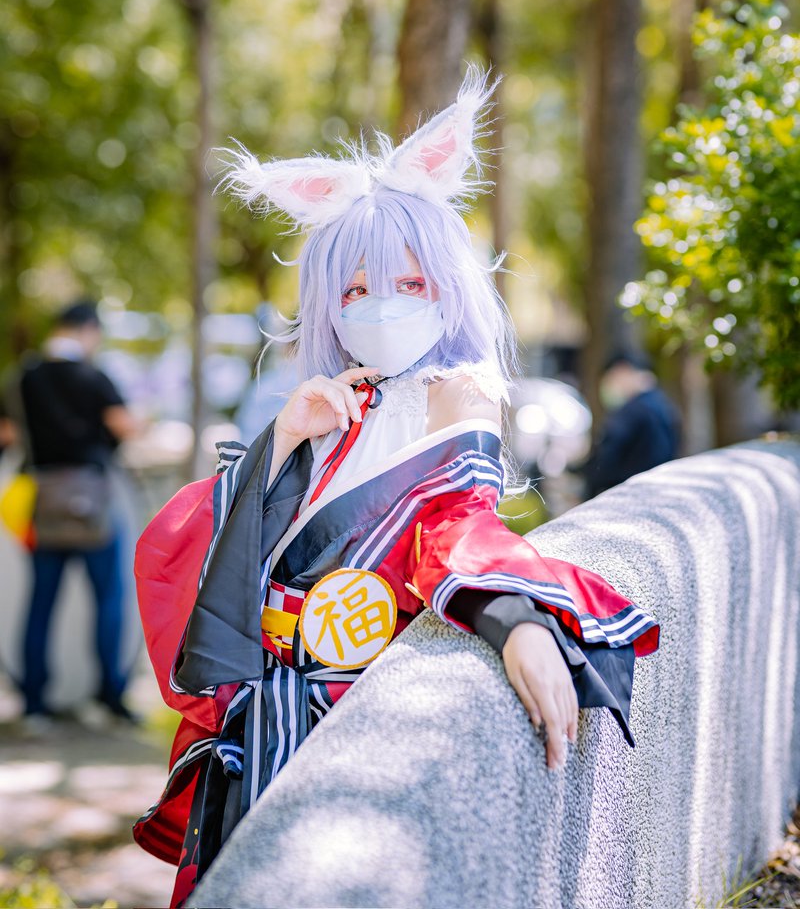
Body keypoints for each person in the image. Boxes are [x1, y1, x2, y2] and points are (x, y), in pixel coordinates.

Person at [133, 69, 660, 908]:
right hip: (268, 702)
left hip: (354, 703)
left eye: (409, 285)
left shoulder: (460, 391)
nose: (380, 306)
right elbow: (207, 543)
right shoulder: (327, 402)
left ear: (446, 285)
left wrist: (516, 619)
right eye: (354, 290)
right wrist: (283, 443)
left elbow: (454, 525)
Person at [14, 301, 140, 725]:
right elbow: (123, 424)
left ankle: (34, 703)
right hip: (92, 501)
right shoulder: (93, 375)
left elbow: (8, 432)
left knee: (41, 601)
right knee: (108, 598)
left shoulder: (26, 377)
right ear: (88, 330)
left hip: (44, 499)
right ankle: (110, 697)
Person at [580, 349, 681, 498]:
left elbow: (607, 457)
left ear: (622, 370)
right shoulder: (663, 404)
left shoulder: (632, 411)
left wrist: (590, 486)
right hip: (656, 489)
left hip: (626, 492)